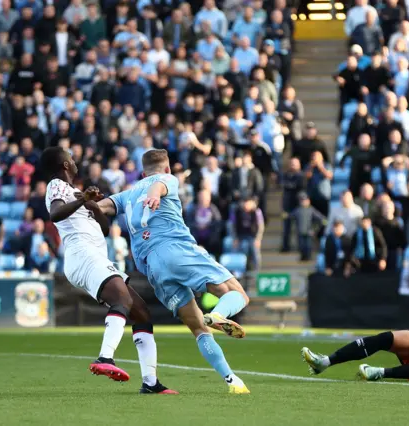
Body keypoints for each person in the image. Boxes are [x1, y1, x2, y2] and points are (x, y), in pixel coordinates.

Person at [94, 149, 251, 393]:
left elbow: (101, 206)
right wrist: (156, 194)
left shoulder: (127, 195)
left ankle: (233, 380)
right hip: (176, 249)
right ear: (167, 169)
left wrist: (81, 202)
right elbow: (159, 185)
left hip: (153, 269)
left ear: (142, 173)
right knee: (237, 293)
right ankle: (219, 314)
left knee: (198, 328)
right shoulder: (168, 179)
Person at [40, 147, 175, 394]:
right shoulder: (56, 185)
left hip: (95, 256)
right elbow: (55, 214)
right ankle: (105, 358)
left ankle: (151, 383)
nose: (73, 158)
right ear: (65, 165)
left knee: (142, 312)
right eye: (69, 156)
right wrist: (82, 200)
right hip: (83, 254)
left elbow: (102, 228)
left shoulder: (76, 192)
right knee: (122, 298)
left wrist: (92, 205)